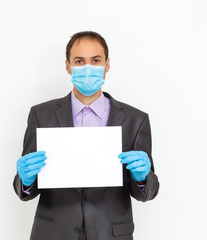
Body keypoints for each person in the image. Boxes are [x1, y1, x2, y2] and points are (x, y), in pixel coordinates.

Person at [13, 31, 159, 240]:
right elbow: (24, 189)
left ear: (107, 65)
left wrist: (143, 178)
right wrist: (26, 180)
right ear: (68, 66)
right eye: (79, 61)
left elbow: (148, 192)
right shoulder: (41, 115)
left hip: (111, 234)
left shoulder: (135, 120)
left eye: (96, 60)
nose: (88, 68)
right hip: (53, 234)